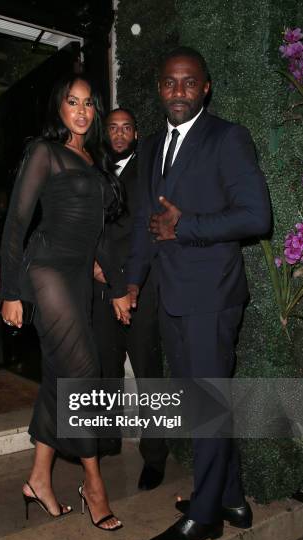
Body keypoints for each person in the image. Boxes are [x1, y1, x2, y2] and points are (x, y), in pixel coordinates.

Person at [126, 47, 271, 540]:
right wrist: (132, 282)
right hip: (170, 296)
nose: (179, 92)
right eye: (170, 83)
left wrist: (187, 226)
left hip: (212, 296)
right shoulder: (151, 148)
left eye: (190, 83)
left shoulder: (228, 138)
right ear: (160, 89)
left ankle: (206, 517)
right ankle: (230, 497)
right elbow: (148, 224)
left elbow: (257, 217)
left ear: (205, 88)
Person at [0, 73, 131, 531]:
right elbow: (16, 223)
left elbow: (94, 233)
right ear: (60, 108)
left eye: (88, 103)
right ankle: (94, 484)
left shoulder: (94, 160)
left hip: (78, 278)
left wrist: (112, 283)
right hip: (46, 269)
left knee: (60, 377)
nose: (80, 110)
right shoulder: (45, 152)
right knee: (83, 372)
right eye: (72, 102)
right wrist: (11, 291)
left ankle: (39, 479)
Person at [92, 108, 168, 490]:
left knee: (148, 372)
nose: (120, 134)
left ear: (136, 134)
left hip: (140, 287)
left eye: (126, 128)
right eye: (113, 128)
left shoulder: (149, 170)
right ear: (105, 133)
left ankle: (155, 458)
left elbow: (148, 232)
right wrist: (94, 263)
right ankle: (106, 442)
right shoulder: (94, 168)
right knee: (106, 366)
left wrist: (120, 274)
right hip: (101, 286)